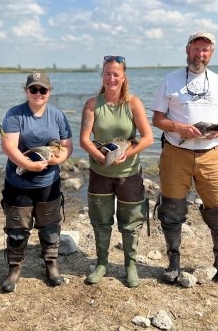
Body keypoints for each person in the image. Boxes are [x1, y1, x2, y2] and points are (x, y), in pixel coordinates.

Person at [151, 31, 218, 287]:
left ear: (211, 53)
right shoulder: (170, 80)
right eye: (196, 49)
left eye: (205, 51)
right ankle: (173, 261)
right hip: (175, 153)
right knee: (171, 209)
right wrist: (180, 128)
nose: (200, 55)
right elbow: (157, 119)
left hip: (211, 155)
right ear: (187, 49)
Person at [80, 56, 154, 288]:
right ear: (102, 76)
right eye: (107, 74)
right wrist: (103, 158)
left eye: (116, 74)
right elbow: (84, 140)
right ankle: (102, 263)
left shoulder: (133, 103)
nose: (111, 78)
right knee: (101, 221)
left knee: (131, 222)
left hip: (129, 172)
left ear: (123, 77)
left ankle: (130, 265)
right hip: (100, 172)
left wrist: (126, 155)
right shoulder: (92, 104)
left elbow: (148, 137)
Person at [0, 72, 73, 292]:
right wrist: (29, 166)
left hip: (49, 182)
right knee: (17, 229)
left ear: (49, 92)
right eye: (34, 89)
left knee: (50, 225)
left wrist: (58, 159)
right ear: (26, 91)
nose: (38, 93)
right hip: (18, 181)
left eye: (43, 90)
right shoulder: (14, 114)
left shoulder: (58, 116)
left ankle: (51, 264)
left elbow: (67, 146)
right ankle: (14, 269)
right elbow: (9, 147)